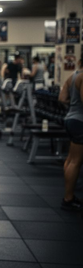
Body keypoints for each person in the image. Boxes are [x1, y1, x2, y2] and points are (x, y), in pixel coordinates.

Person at [58, 59, 83, 211]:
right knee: (75, 162)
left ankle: (69, 196)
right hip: (80, 122)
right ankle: (68, 198)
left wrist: (74, 106)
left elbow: (62, 98)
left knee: (71, 160)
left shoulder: (73, 75)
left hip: (70, 119)